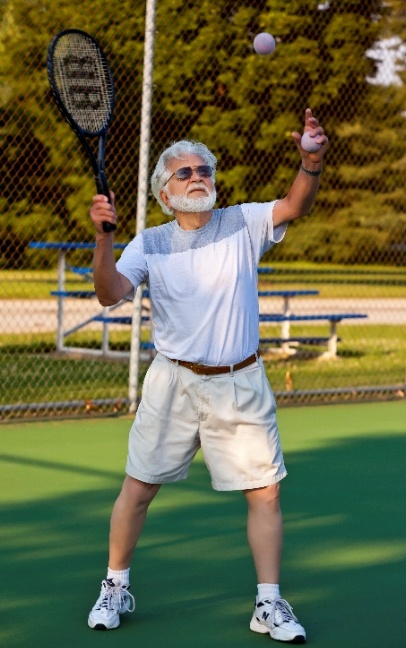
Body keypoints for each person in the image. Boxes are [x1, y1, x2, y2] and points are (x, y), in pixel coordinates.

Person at [87, 107, 328, 643]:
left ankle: (269, 604)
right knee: (138, 489)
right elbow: (109, 294)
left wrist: (310, 161)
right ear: (165, 194)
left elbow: (294, 205)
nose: (199, 178)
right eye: (185, 173)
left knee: (264, 493)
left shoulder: (242, 223)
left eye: (205, 171)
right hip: (173, 383)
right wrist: (103, 239)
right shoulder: (147, 243)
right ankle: (115, 585)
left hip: (240, 382)